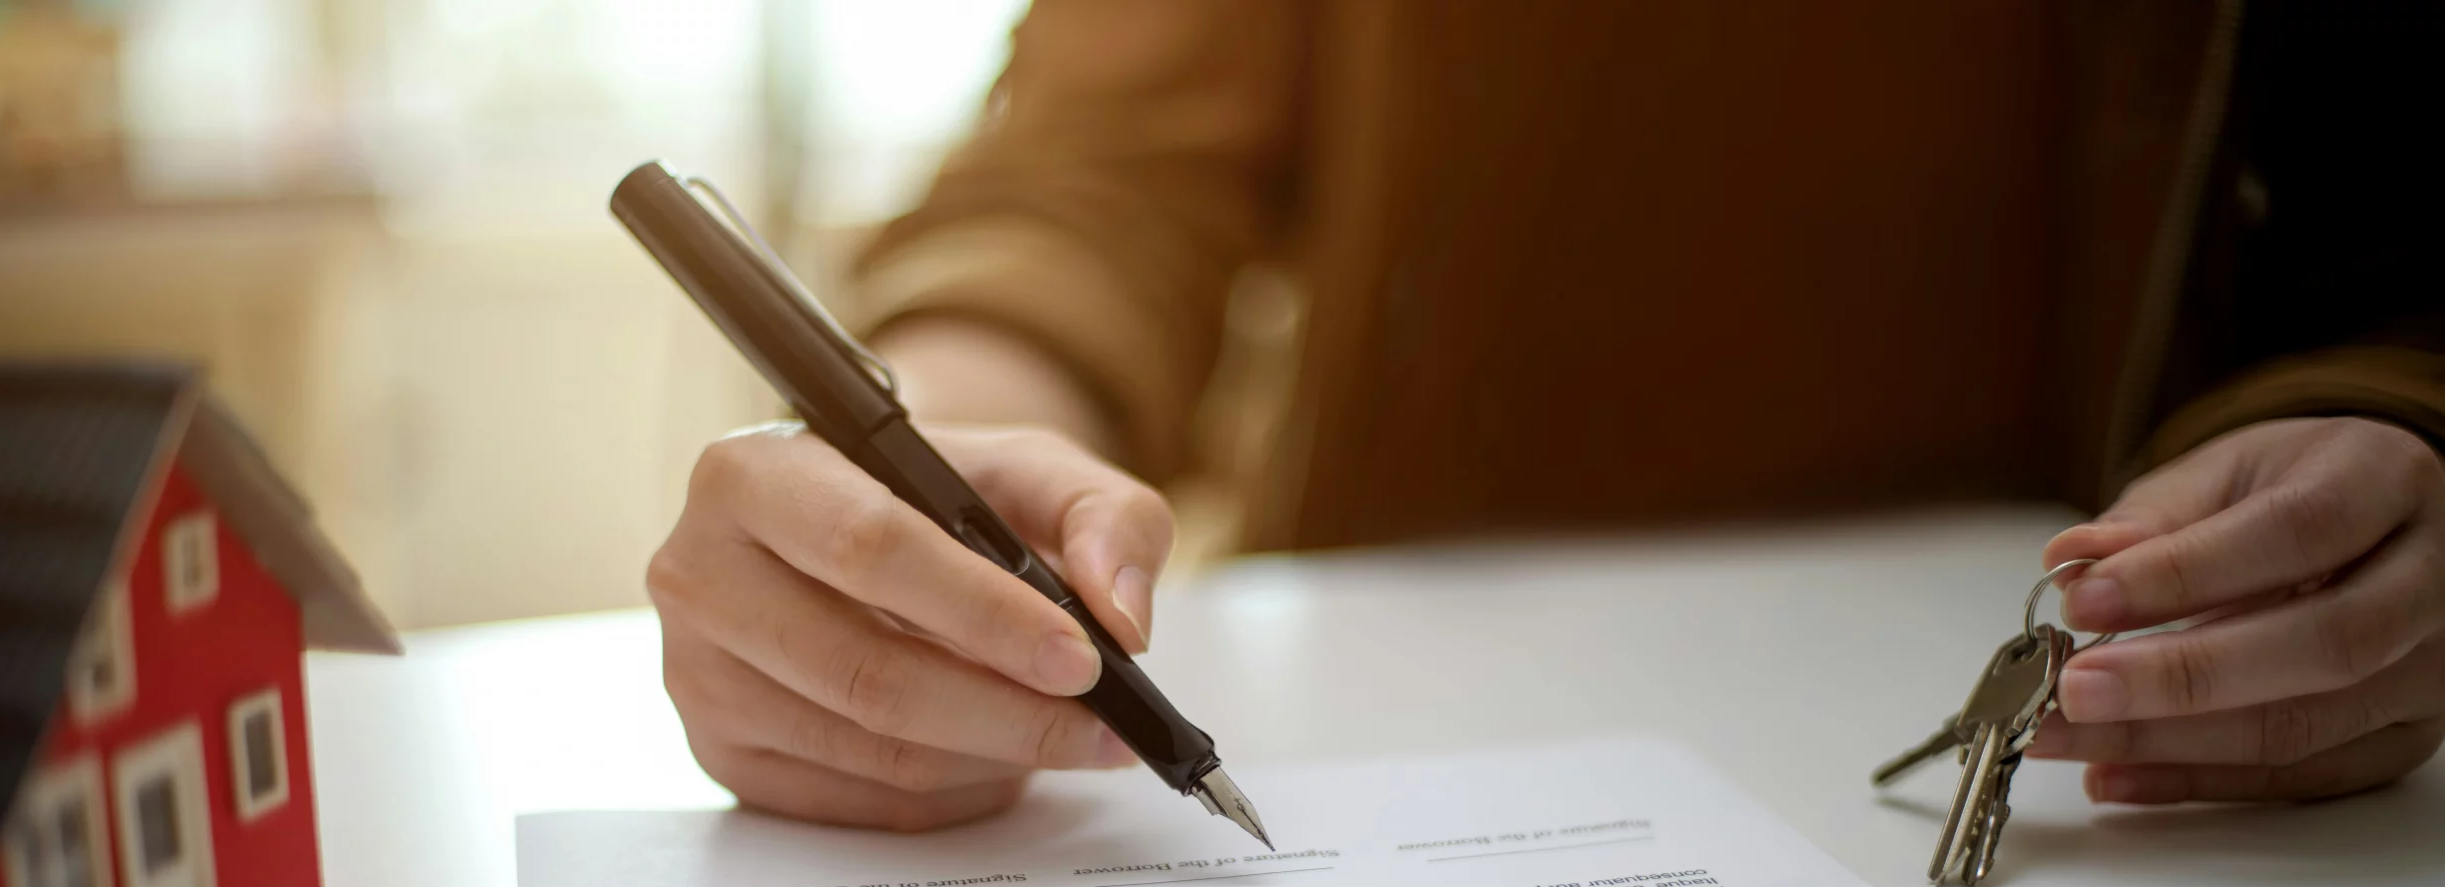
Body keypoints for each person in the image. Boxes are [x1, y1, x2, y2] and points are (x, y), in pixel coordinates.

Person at [647, 0, 2445, 831]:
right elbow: (1096, 171)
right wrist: (941, 460)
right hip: (1410, 684)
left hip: (2082, 724)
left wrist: (2400, 414)